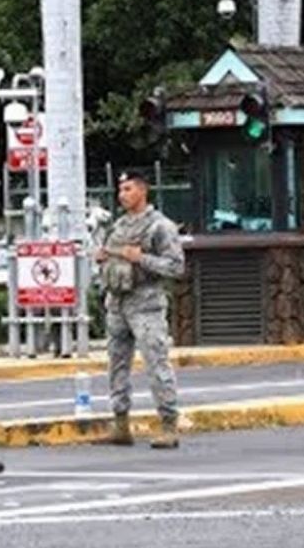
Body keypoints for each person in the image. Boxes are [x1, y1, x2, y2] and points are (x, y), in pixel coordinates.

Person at [96, 170, 185, 449]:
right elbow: (110, 257)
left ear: (143, 190)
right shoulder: (118, 226)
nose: (123, 195)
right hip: (117, 302)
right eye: (120, 190)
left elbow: (175, 266)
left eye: (129, 189)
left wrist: (141, 258)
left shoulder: (160, 227)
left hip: (145, 303)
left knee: (156, 362)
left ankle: (168, 424)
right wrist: (104, 258)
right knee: (116, 364)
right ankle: (120, 423)